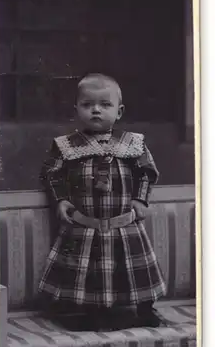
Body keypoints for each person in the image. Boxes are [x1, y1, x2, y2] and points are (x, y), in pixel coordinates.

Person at [38, 73, 166, 331]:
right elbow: (52, 175)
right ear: (76, 110)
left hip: (124, 224)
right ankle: (90, 313)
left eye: (104, 105)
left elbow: (146, 173)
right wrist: (61, 200)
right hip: (85, 225)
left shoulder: (133, 143)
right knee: (86, 271)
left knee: (134, 268)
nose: (95, 110)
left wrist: (141, 199)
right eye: (87, 105)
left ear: (119, 112)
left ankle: (145, 309)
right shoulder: (65, 146)